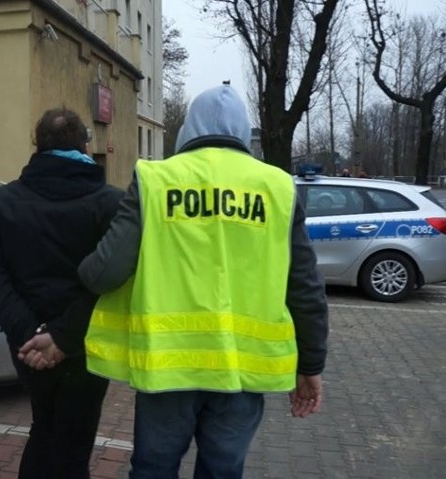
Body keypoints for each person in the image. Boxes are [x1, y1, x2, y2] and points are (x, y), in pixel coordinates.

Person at [77, 85, 329, 479]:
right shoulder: (278, 187)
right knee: (222, 471)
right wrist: (311, 365)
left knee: (153, 469)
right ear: (244, 132)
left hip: (168, 368)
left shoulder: (155, 179)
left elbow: (106, 271)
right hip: (241, 372)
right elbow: (305, 286)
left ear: (188, 128)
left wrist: (82, 270)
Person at [0, 107, 124, 478]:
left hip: (28, 349)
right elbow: (118, 280)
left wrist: (31, 333)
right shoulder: (112, 204)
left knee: (44, 426)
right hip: (86, 346)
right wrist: (64, 337)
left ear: (37, 145)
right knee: (74, 444)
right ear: (85, 146)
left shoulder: (3, 202)